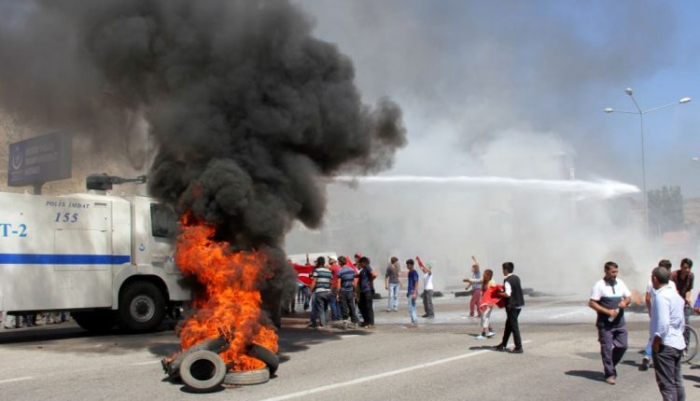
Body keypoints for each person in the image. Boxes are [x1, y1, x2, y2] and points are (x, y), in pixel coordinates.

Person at [588, 261, 631, 385]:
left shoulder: (620, 283)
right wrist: (607, 311)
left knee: (623, 346)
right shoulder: (599, 285)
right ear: (606, 271)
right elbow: (592, 303)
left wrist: (625, 302)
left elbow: (628, 297)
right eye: (612, 272)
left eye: (616, 272)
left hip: (620, 323)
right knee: (606, 350)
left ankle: (610, 365)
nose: (615, 274)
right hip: (605, 324)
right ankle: (610, 373)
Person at [650, 266, 686, 400]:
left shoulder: (661, 296)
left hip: (666, 345)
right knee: (677, 381)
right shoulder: (675, 295)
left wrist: (657, 341)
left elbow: (663, 323)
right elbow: (681, 321)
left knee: (667, 385)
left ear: (654, 278)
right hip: (677, 342)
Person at [642, 260, 677, 370]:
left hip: (656, 312)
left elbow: (647, 298)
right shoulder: (671, 284)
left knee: (654, 335)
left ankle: (647, 355)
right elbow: (674, 299)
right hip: (667, 313)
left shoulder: (651, 281)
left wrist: (650, 311)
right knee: (662, 334)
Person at [493, 262, 524, 353]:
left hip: (512, 306)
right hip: (519, 304)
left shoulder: (507, 280)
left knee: (514, 327)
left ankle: (518, 347)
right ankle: (503, 344)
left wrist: (498, 294)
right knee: (509, 325)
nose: (502, 271)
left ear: (506, 270)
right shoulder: (516, 277)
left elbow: (508, 294)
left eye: (503, 269)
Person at [670, 258, 694, 349]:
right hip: (674, 302)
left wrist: (688, 297)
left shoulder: (691, 276)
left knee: (686, 324)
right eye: (685, 267)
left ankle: (685, 347)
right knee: (674, 324)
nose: (687, 270)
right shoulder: (673, 275)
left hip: (684, 302)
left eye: (689, 268)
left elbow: (688, 289)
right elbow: (671, 290)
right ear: (681, 267)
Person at [309, 256, 332, 328]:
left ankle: (322, 324)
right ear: (324, 262)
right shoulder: (329, 271)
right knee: (326, 307)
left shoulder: (317, 271)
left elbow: (314, 281)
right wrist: (330, 290)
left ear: (318, 263)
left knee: (320, 308)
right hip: (328, 292)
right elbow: (331, 282)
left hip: (320, 291)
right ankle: (326, 322)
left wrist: (311, 290)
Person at [337, 256, 360, 329]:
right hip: (350, 290)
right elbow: (354, 282)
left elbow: (339, 284)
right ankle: (355, 322)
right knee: (351, 306)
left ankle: (345, 322)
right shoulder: (351, 270)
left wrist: (338, 293)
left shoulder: (340, 271)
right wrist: (355, 291)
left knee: (344, 307)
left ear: (340, 262)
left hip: (343, 291)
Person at [357, 256, 378, 328]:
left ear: (364, 263)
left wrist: (370, 280)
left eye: (361, 263)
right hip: (363, 290)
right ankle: (366, 321)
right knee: (361, 305)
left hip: (367, 290)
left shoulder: (368, 267)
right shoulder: (363, 270)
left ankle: (370, 322)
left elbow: (375, 274)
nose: (360, 265)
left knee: (368, 306)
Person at [476, 269, 497, 340]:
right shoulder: (484, 281)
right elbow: (477, 281)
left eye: (485, 274)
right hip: (484, 302)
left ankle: (483, 333)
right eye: (484, 273)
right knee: (486, 316)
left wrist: (492, 303)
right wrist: (469, 280)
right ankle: (491, 331)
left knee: (485, 316)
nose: (483, 275)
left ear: (489, 275)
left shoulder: (492, 282)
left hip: (489, 302)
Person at [406, 259, 419, 327]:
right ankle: (414, 320)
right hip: (410, 291)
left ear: (411, 265)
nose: (407, 266)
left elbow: (416, 283)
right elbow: (410, 283)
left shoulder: (414, 272)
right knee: (412, 306)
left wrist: (414, 293)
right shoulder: (409, 272)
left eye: (407, 264)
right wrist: (408, 292)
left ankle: (414, 321)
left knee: (411, 307)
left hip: (412, 291)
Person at [328, 257, 342, 322]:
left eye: (330, 259)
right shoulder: (339, 267)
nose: (329, 260)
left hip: (333, 287)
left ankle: (334, 317)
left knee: (332, 302)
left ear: (334, 260)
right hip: (339, 286)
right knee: (338, 302)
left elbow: (329, 278)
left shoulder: (332, 267)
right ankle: (339, 317)